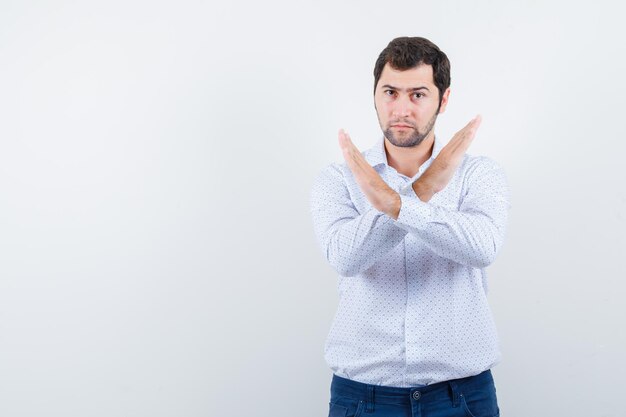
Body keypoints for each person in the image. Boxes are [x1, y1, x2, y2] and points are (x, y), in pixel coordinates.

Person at [310, 37, 510, 417]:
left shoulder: (478, 173)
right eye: (390, 92)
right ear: (375, 95)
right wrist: (422, 191)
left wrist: (397, 204)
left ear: (443, 99)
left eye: (418, 94)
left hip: (461, 396)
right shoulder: (340, 178)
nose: (401, 109)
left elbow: (483, 247)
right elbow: (345, 257)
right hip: (364, 398)